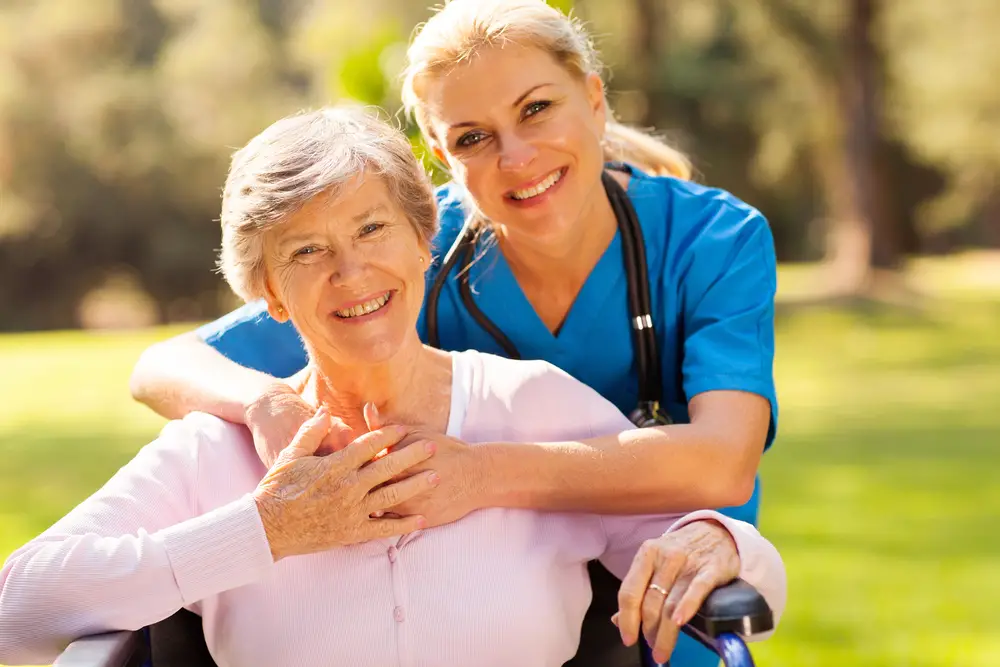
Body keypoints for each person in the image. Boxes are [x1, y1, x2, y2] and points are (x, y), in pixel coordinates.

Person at [0, 107, 786, 667]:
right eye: (306, 251)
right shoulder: (216, 451)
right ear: (269, 294)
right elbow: (14, 612)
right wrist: (267, 531)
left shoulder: (533, 403)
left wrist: (720, 538)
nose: (351, 272)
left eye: (373, 229)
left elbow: (750, 575)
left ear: (422, 241)